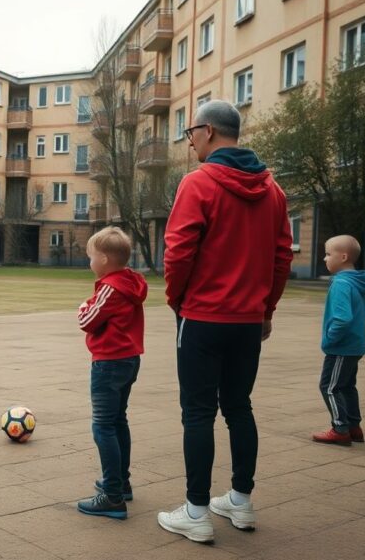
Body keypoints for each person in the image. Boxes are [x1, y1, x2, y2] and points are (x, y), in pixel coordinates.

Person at [158, 100, 294, 543]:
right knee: (239, 407)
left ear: (209, 132)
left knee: (197, 412)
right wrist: (266, 310)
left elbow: (178, 250)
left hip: (202, 316)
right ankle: (240, 500)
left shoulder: (198, 183)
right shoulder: (273, 191)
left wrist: (177, 300)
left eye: (190, 132)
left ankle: (196, 511)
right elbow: (280, 259)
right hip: (247, 321)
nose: (190, 140)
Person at [75, 227, 148, 519]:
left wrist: (83, 306)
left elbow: (88, 320)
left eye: (91, 256)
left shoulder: (110, 286)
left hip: (109, 362)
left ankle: (112, 496)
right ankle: (121, 482)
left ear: (104, 259)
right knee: (118, 421)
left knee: (102, 426)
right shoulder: (131, 281)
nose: (89, 261)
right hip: (129, 359)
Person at [312, 235, 365, 446]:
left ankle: (340, 429)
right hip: (356, 345)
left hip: (341, 347)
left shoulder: (341, 284)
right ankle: (354, 427)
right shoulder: (358, 282)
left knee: (328, 386)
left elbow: (342, 318)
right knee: (346, 385)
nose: (325, 259)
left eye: (328, 254)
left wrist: (330, 339)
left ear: (343, 256)